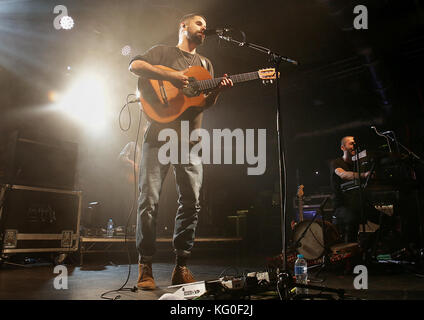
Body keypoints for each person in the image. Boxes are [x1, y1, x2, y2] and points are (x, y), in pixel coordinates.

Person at [128, 13, 233, 290]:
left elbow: (201, 103)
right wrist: (172, 75)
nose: (204, 28)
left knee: (191, 203)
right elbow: (135, 65)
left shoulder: (206, 64)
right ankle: (145, 265)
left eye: (206, 26)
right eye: (199, 23)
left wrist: (218, 91)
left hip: (190, 141)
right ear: (183, 26)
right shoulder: (162, 52)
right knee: (148, 200)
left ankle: (181, 266)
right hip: (158, 137)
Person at [330, 136, 382, 243]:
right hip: (342, 206)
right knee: (353, 219)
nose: (354, 145)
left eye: (354, 143)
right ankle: (351, 251)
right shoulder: (336, 163)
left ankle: (369, 245)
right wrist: (364, 175)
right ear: (343, 148)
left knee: (386, 220)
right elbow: (343, 174)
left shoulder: (358, 164)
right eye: (351, 143)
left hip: (359, 205)